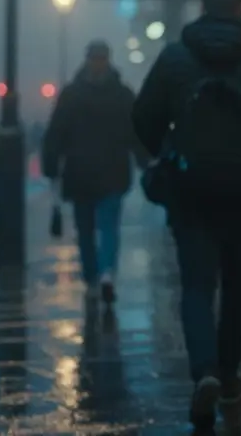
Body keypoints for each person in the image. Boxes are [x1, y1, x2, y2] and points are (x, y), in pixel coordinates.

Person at [132, 0, 241, 430]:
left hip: (190, 191)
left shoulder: (175, 58)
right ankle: (228, 374)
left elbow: (142, 118)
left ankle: (203, 369)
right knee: (237, 286)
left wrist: (166, 151)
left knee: (195, 285)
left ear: (201, 8)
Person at [42, 40, 147, 305]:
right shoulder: (122, 94)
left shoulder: (71, 94)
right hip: (113, 170)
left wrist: (51, 164)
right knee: (110, 226)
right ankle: (107, 273)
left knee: (85, 229)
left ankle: (91, 279)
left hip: (80, 173)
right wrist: (144, 159)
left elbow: (56, 133)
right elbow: (136, 132)